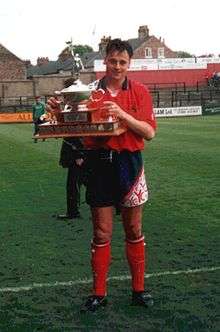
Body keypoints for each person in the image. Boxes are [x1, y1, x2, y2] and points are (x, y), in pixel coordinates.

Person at [47, 38, 157, 312]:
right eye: (112, 61)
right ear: (104, 61)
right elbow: (75, 129)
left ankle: (139, 290)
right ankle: (99, 293)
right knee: (101, 232)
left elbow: (149, 132)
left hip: (129, 165)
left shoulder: (140, 91)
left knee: (134, 229)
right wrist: (57, 112)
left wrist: (122, 115)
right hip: (99, 165)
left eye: (122, 62)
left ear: (129, 64)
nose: (117, 67)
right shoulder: (89, 93)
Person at [57, 137, 84, 220]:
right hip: (77, 153)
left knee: (73, 184)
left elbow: (78, 134)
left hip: (77, 155)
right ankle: (73, 211)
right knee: (73, 184)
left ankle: (73, 212)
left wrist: (79, 155)